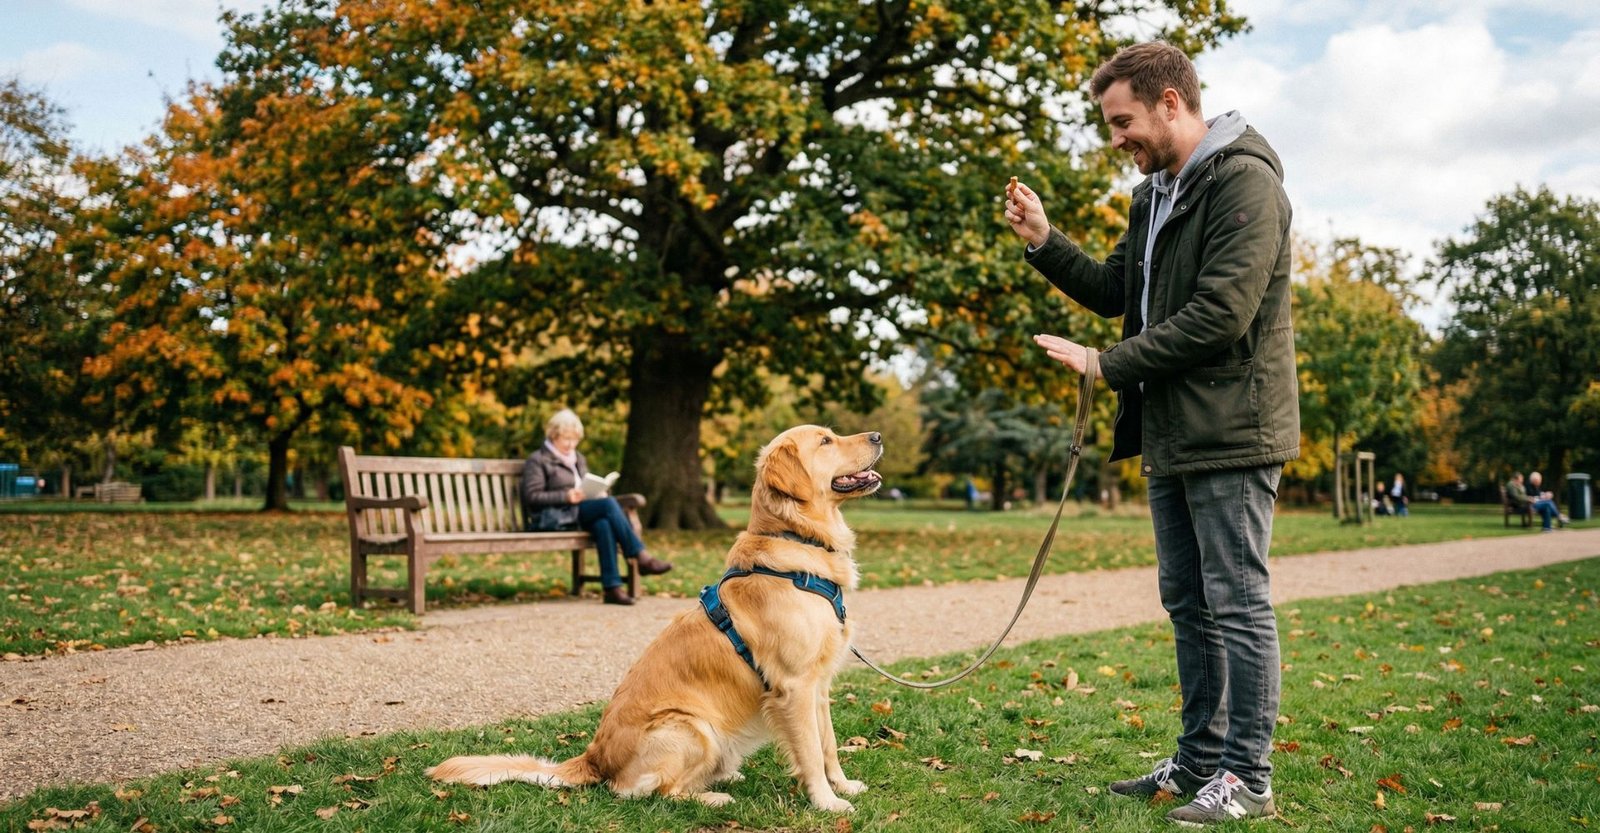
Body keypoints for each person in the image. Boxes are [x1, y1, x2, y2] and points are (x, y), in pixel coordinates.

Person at [1003, 41, 1297, 825]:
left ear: (1172, 103)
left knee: (1236, 601)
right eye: (1109, 124)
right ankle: (1200, 758)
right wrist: (1044, 238)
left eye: (1123, 120)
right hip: (1170, 430)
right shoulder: (1154, 195)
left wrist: (1107, 365)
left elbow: (1221, 314)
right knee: (1188, 602)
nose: (1116, 137)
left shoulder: (1245, 181)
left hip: (1234, 427)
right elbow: (1114, 292)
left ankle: (1249, 776)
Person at [521, 409, 672, 605]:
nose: (570, 444)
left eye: (574, 440)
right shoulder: (538, 460)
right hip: (555, 515)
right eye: (565, 439)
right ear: (553, 435)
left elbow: (585, 484)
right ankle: (639, 556)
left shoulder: (578, 458)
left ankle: (612, 588)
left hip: (579, 512)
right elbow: (531, 497)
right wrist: (566, 496)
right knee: (609, 505)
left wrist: (597, 493)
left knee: (603, 523)